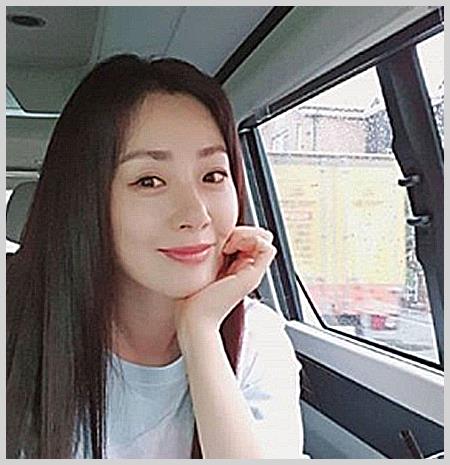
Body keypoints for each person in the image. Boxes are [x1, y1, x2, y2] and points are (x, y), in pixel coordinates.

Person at [6, 54, 306, 459]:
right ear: (86, 199)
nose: (196, 215)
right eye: (149, 181)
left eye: (213, 175)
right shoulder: (17, 325)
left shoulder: (257, 340)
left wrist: (200, 331)